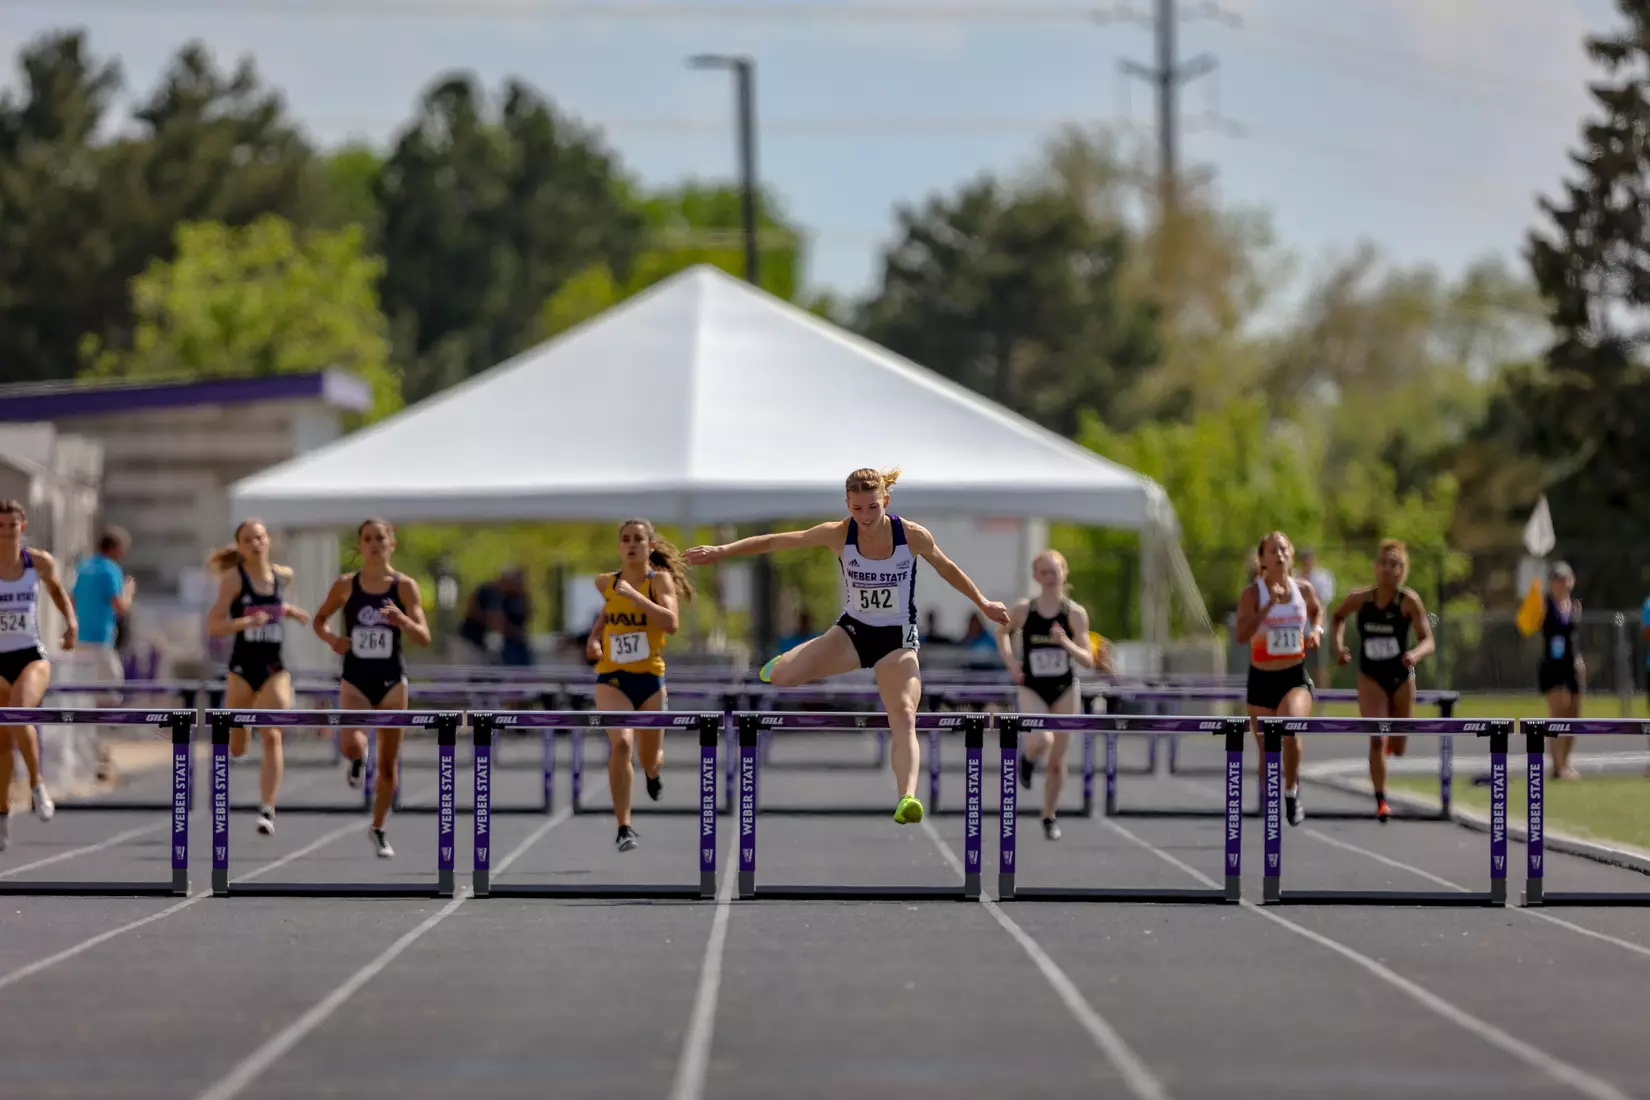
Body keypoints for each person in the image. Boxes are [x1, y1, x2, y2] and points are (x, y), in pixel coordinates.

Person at [684, 467, 1012, 825]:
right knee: (782, 677)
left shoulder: (912, 535)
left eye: (873, 507)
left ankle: (907, 797)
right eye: (857, 508)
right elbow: (777, 541)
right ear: (847, 504)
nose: (865, 517)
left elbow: (947, 568)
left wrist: (983, 603)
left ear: (886, 501)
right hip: (853, 634)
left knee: (904, 714)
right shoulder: (839, 533)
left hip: (897, 640)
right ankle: (787, 661)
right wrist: (722, 550)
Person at [312, 519, 431, 857]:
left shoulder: (405, 587)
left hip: (392, 681)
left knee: (389, 765)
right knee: (350, 742)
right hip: (356, 678)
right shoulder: (346, 585)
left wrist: (402, 620)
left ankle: (378, 827)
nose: (375, 544)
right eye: (368, 539)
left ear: (392, 544)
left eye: (381, 538)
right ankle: (358, 757)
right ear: (360, 546)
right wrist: (333, 640)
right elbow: (319, 620)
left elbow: (424, 637)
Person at [584, 519, 692, 853]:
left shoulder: (658, 581)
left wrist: (635, 596)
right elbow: (608, 614)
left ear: (650, 546)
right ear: (619, 547)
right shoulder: (605, 582)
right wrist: (594, 639)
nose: (632, 544)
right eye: (626, 539)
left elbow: (670, 623)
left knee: (650, 758)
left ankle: (653, 774)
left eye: (638, 539)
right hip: (613, 679)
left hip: (649, 680)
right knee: (621, 745)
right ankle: (624, 826)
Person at [204, 520, 312, 837]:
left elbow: (274, 605)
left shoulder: (282, 576)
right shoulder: (234, 580)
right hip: (242, 668)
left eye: (260, 537)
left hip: (274, 667)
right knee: (237, 746)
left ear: (268, 541)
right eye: (248, 539)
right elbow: (214, 625)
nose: (255, 543)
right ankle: (240, 746)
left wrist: (289, 611)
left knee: (272, 733)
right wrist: (245, 623)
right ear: (240, 546)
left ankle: (267, 809)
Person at [994, 549, 1110, 841]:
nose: (1049, 577)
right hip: (1032, 685)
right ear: (1036, 576)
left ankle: (1049, 815)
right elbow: (1002, 633)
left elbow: (1087, 659)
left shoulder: (1074, 614)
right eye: (1043, 572)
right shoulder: (1024, 609)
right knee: (1041, 739)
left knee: (1057, 761)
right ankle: (1028, 758)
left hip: (1065, 688)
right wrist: (1011, 663)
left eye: (1054, 571)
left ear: (1064, 573)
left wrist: (1066, 643)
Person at [1329, 540, 1436, 822]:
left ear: (1402, 571)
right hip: (1371, 677)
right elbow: (1337, 617)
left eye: (1394, 565)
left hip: (1401, 677)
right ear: (1376, 568)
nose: (1387, 569)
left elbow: (1428, 640)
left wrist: (1415, 654)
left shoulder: (1408, 601)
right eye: (1383, 563)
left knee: (1398, 748)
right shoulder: (1361, 599)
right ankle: (1381, 801)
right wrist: (1338, 647)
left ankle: (1389, 745)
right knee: (1377, 738)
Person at [1234, 530, 1324, 826]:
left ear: (1292, 555)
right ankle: (1271, 802)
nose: (1280, 555)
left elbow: (1317, 610)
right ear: (1263, 559)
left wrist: (1316, 630)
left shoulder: (1303, 589)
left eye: (1284, 549)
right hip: (1261, 680)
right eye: (1273, 551)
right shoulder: (1253, 595)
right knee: (1266, 750)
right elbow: (1241, 635)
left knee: (1289, 729)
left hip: (1294, 677)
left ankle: (1291, 791)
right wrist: (1268, 607)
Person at [0, 500, 76, 850]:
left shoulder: (38, 562)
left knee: (18, 713)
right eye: (1, 526)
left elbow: (58, 592)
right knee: (3, 743)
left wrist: (71, 623)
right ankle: (2, 813)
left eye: (12, 525)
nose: (6, 532)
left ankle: (37, 784)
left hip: (30, 655)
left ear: (23, 526)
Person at [1534, 562, 1583, 780]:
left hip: (1572, 665)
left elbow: (1574, 638)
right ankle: (1557, 765)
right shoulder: (1545, 604)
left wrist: (1580, 661)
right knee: (1558, 715)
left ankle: (1566, 761)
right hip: (1553, 666)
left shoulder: (1575, 606)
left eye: (1564, 579)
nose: (1561, 583)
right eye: (1557, 579)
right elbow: (1530, 622)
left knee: (1574, 716)